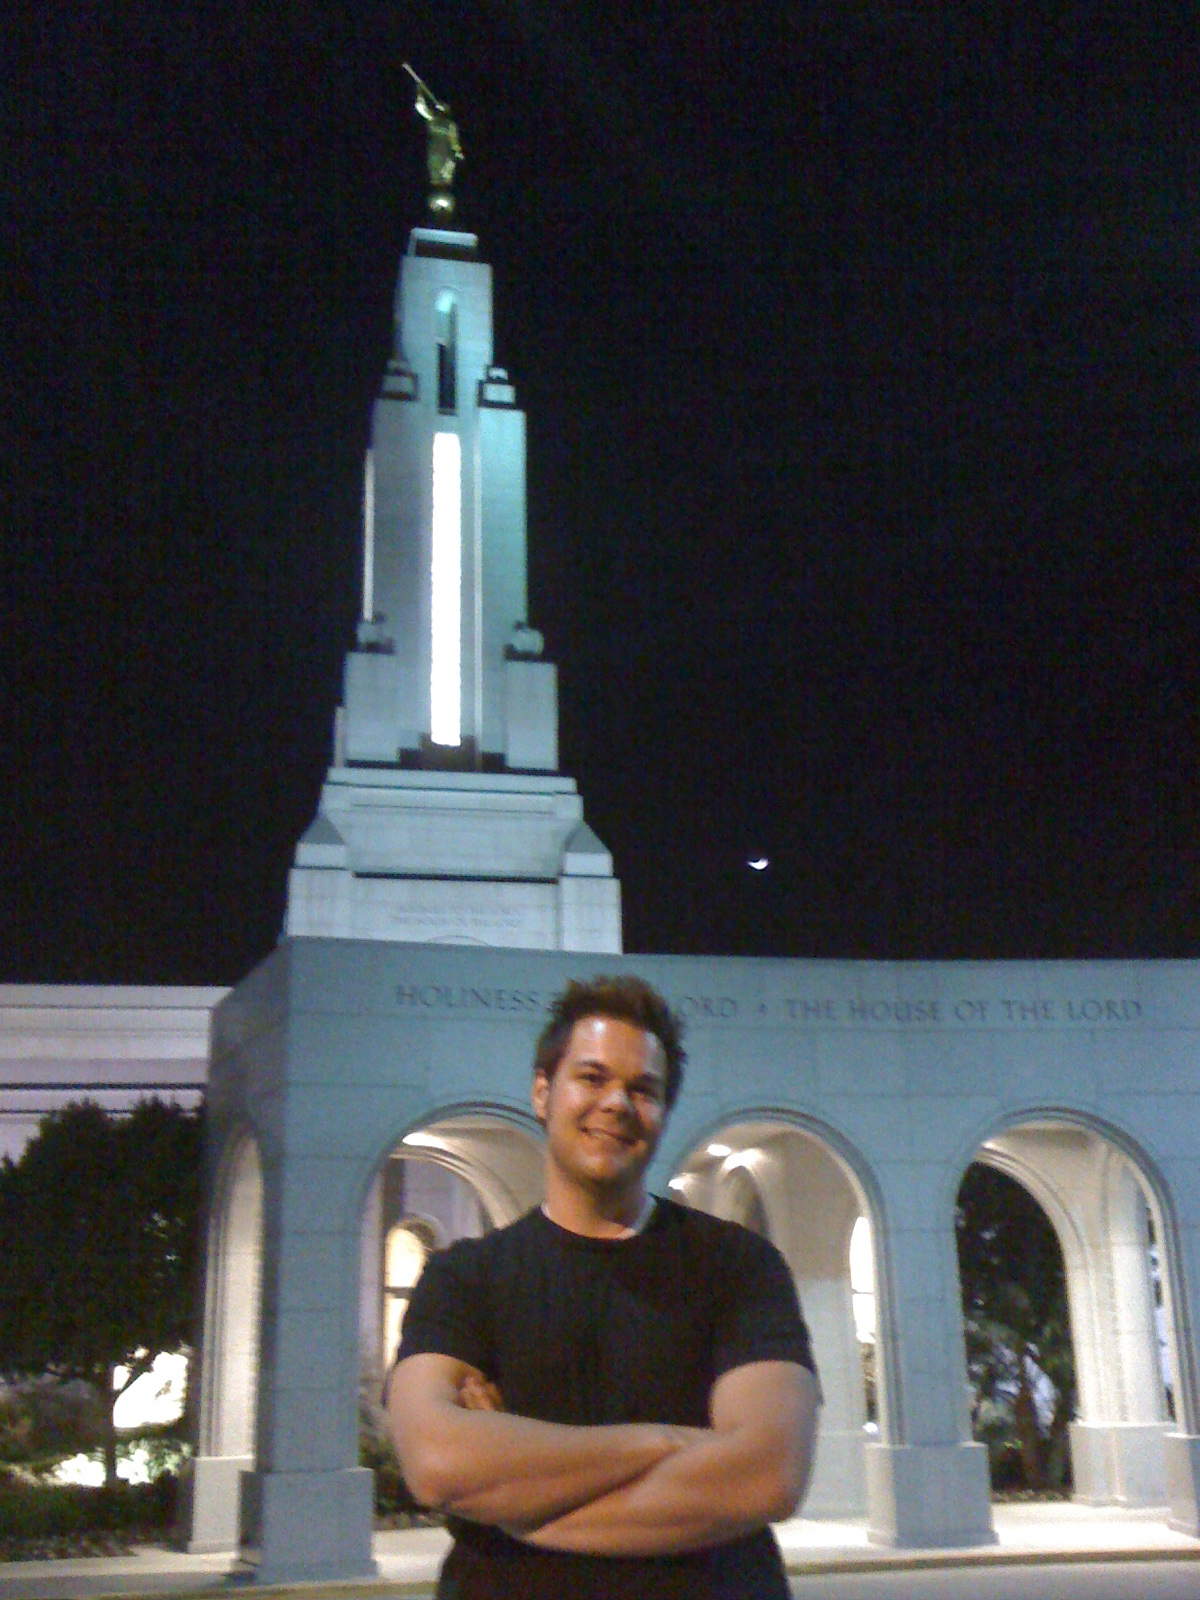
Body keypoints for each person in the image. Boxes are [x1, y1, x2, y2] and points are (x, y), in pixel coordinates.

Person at [386, 974, 821, 1598]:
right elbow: (437, 1464)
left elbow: (766, 1476)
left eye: (643, 1089)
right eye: (592, 1078)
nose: (617, 1102)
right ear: (543, 1092)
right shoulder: (464, 1278)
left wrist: (516, 1504)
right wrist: (665, 1441)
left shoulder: (740, 1266)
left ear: (664, 1114)